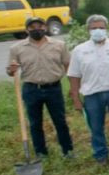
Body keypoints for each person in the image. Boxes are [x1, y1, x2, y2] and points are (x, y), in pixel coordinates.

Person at [68, 14, 109, 165]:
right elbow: (74, 76)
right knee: (96, 128)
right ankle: (101, 156)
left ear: (106, 29)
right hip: (91, 95)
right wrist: (76, 99)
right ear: (88, 30)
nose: (97, 31)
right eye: (94, 28)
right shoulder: (79, 50)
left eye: (101, 28)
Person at [7, 17, 74, 158]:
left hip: (53, 88)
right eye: (33, 27)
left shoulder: (59, 45)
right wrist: (11, 70)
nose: (37, 29)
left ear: (45, 27)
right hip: (31, 89)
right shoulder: (17, 49)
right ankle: (41, 152)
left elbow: (68, 65)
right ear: (27, 30)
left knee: (60, 121)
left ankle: (67, 150)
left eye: (40, 26)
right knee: (35, 123)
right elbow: (10, 71)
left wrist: (73, 86)